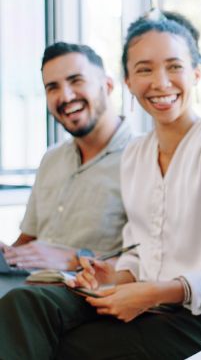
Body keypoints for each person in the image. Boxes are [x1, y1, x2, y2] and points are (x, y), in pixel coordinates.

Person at [0, 10, 201, 359]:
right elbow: (139, 250)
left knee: (73, 346)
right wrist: (111, 276)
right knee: (24, 302)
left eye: (174, 66)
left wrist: (152, 293)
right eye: (144, 69)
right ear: (127, 81)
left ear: (195, 73)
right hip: (152, 303)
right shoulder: (137, 154)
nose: (160, 82)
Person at [0, 43, 134, 273]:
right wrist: (8, 256)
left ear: (108, 85)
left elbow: (151, 259)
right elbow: (28, 241)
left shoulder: (143, 157)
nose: (65, 96)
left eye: (76, 81)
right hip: (31, 289)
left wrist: (74, 258)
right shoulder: (51, 159)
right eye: (53, 87)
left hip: (89, 296)